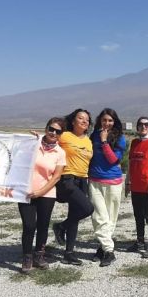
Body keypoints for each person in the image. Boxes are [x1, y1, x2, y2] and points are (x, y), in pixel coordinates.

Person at [18, 117, 67, 273]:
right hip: (26, 191)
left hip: (47, 193)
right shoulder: (33, 143)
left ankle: (39, 255)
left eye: (57, 131)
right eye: (51, 129)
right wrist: (29, 140)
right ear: (46, 128)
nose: (53, 133)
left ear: (61, 134)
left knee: (43, 225)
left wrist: (40, 192)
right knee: (29, 225)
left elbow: (56, 177)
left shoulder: (60, 152)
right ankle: (27, 257)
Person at [52, 109, 95, 265]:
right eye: (80, 118)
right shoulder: (64, 136)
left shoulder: (88, 140)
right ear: (73, 121)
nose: (84, 121)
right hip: (67, 179)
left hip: (83, 179)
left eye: (87, 120)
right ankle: (60, 226)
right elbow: (48, 143)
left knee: (75, 215)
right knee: (88, 209)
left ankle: (69, 253)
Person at [88, 108, 126, 267]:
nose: (107, 123)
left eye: (110, 120)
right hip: (95, 180)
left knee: (110, 217)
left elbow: (113, 160)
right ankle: (109, 250)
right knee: (98, 216)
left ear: (114, 122)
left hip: (113, 182)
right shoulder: (93, 136)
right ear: (100, 121)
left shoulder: (120, 139)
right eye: (104, 120)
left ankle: (102, 248)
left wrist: (104, 142)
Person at [124, 116, 148, 258]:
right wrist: (127, 182)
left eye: (146, 124)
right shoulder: (134, 143)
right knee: (138, 215)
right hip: (135, 187)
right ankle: (140, 242)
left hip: (147, 187)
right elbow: (130, 164)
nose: (143, 127)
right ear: (137, 127)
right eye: (140, 124)